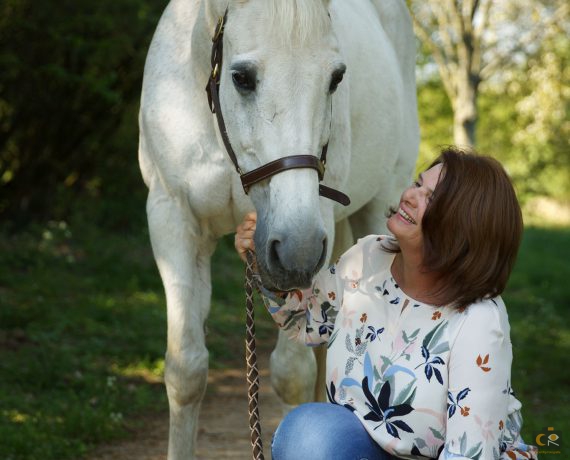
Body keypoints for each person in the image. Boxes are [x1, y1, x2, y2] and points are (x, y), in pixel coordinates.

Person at [234, 147, 538, 460]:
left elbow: (470, 454)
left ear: (463, 227)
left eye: (430, 198)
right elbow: (307, 321)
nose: (410, 195)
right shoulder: (369, 258)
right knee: (309, 434)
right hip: (371, 448)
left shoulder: (478, 320)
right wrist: (263, 265)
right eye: (418, 184)